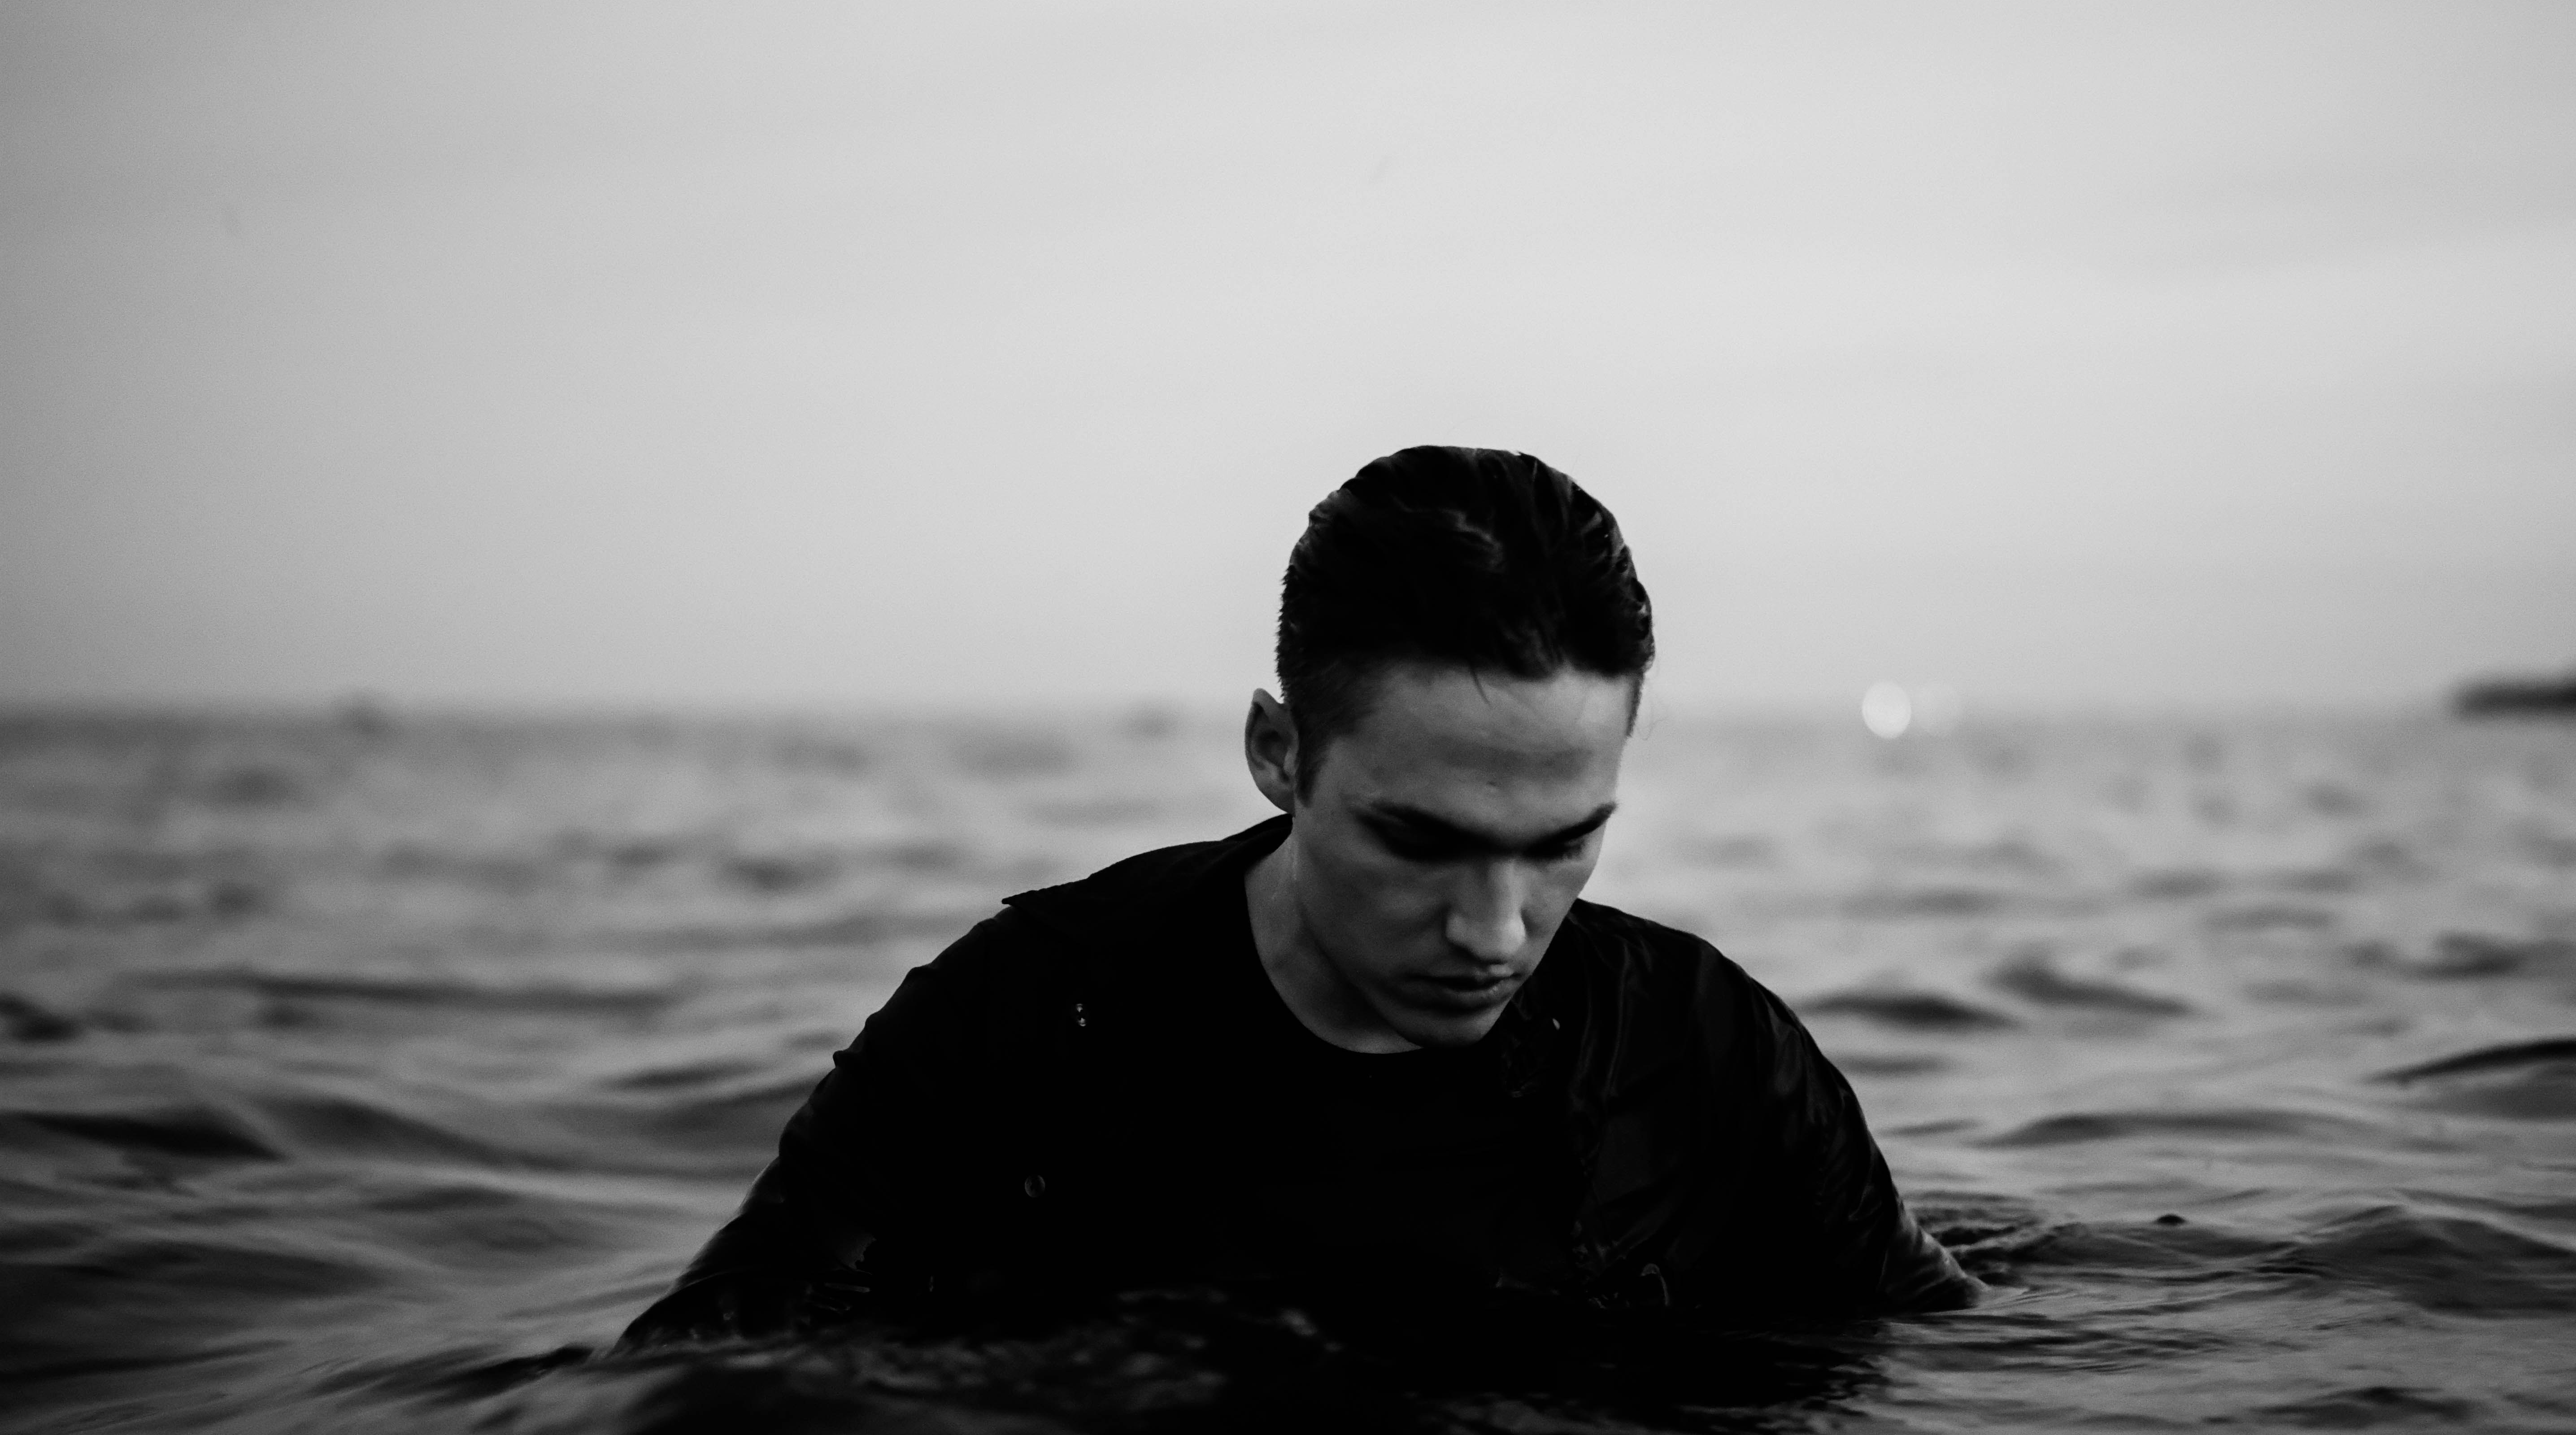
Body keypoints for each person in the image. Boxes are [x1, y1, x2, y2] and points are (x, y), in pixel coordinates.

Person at [624, 447, 1976, 1345]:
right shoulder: (1039, 1015)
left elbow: (1948, 1354)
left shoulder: (1706, 1053)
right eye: (1420, 843)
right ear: (1280, 754)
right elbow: (722, 1366)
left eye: (1565, 843)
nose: (1496, 932)